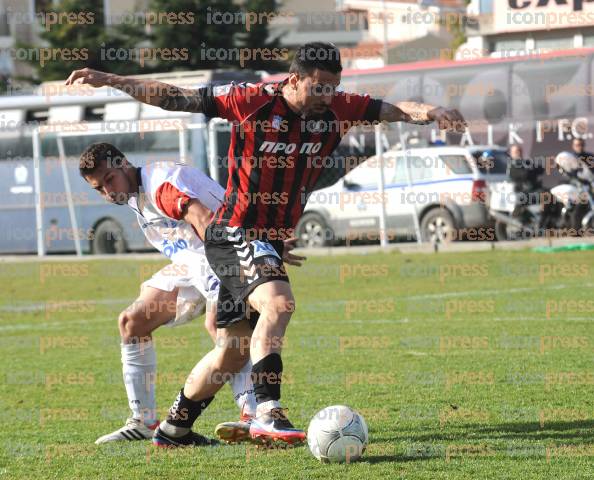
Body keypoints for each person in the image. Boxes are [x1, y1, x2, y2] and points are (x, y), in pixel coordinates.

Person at [66, 41, 466, 447]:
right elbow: (176, 98)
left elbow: (393, 109)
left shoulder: (339, 108)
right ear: (294, 79)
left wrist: (431, 113)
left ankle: (174, 428)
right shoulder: (252, 100)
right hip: (236, 231)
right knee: (278, 304)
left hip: (265, 241)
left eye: (334, 87)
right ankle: (266, 412)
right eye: (319, 87)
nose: (327, 96)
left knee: (233, 351)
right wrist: (110, 79)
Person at [79, 143, 305, 445]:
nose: (108, 192)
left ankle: (253, 415)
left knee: (225, 333)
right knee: (132, 322)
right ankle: (144, 421)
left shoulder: (161, 185)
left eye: (109, 179)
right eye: (99, 188)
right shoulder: (134, 192)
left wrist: (248, 252)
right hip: (190, 263)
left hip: (218, 255)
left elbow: (204, 218)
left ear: (123, 163)